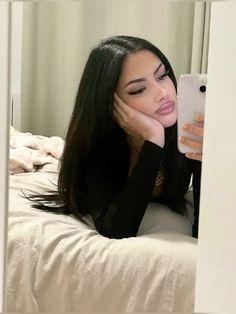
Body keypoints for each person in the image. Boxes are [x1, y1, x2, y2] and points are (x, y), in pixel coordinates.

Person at [31, 35, 203, 239]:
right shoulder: (101, 149)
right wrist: (153, 141)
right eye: (139, 89)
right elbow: (116, 229)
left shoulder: (187, 128)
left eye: (162, 75)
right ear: (112, 104)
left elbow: (204, 225)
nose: (163, 93)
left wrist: (211, 161)